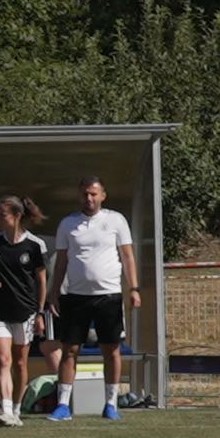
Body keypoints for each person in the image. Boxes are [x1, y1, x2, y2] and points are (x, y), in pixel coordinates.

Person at [47, 175, 140, 412]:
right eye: (85, 194)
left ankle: (110, 403)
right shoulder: (68, 224)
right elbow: (61, 262)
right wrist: (54, 292)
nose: (89, 198)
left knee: (111, 349)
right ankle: (63, 404)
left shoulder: (116, 220)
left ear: (102, 195)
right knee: (70, 349)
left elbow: (127, 256)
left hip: (108, 295)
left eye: (93, 194)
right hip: (75, 295)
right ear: (79, 196)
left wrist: (134, 288)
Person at [0, 194, 54, 424]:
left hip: (25, 312)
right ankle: (6, 410)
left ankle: (18, 410)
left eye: (3, 215)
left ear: (17, 216)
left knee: (20, 362)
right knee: (3, 360)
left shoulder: (34, 245)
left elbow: (41, 281)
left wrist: (40, 312)